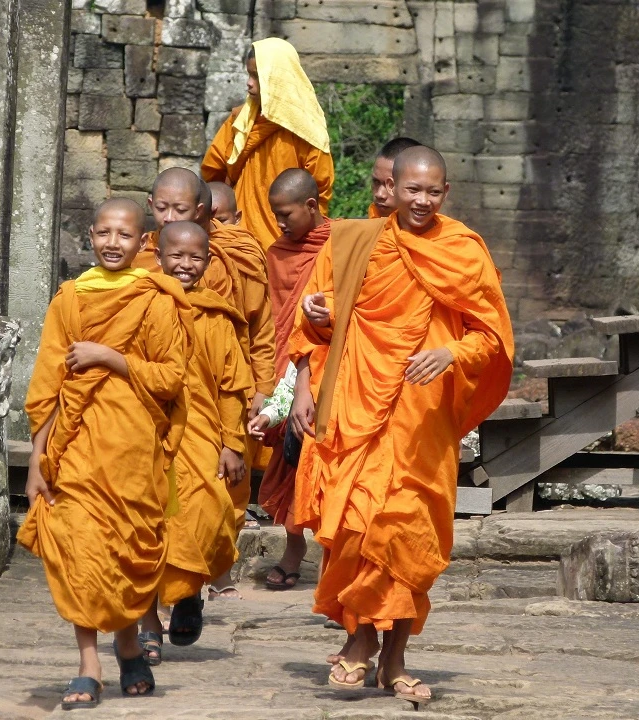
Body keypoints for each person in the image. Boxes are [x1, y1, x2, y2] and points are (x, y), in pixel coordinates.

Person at [290, 147, 514, 703]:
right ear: (392, 187)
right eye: (410, 190)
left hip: (422, 418)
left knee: (408, 534)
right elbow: (317, 326)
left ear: (445, 193)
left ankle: (380, 655)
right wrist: (320, 320)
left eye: (432, 192)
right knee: (362, 529)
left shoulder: (461, 250)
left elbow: (491, 337)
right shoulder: (355, 242)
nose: (421, 201)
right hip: (358, 408)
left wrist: (451, 352)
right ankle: (376, 654)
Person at [17, 198, 192, 709]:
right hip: (75, 449)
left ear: (144, 243)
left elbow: (171, 377)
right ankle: (88, 663)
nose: (113, 243)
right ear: (89, 237)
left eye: (124, 235)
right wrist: (36, 460)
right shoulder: (69, 300)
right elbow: (48, 384)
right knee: (79, 551)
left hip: (133, 450)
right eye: (104, 233)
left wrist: (112, 358)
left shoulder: (157, 300)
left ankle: (130, 640)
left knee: (127, 552)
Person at [139, 168, 276, 598]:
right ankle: (171, 599)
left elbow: (259, 329)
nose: (167, 217)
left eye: (179, 209)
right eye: (161, 208)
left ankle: (213, 571)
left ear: (202, 210)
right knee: (160, 501)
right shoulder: (141, 259)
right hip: (155, 403)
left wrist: (263, 389)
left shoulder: (235, 255)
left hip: (221, 394)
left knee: (221, 495)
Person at [136, 221, 252, 663]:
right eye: (177, 256)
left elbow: (230, 386)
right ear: (159, 256)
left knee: (208, 511)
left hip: (203, 434)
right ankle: (148, 622)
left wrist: (233, 443)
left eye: (195, 257)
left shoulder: (217, 314)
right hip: (146, 430)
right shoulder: (139, 303)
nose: (185, 265)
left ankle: (187, 592)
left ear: (209, 261)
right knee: (145, 524)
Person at [249, 168, 331, 591]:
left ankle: (334, 559)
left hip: (326, 363)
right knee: (288, 459)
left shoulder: (339, 245)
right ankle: (294, 548)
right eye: (275, 215)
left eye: (286, 215)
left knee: (326, 463)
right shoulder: (277, 253)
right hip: (283, 368)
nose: (280, 224)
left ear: (312, 206)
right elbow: (270, 318)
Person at [202, 37, 334, 250]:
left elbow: (319, 196)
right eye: (249, 74)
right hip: (237, 242)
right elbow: (213, 173)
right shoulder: (240, 121)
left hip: (290, 244)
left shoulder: (308, 131)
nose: (249, 83)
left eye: (257, 76)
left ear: (277, 80)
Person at [368, 137, 422, 218]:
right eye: (376, 182)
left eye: (391, 185)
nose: (379, 194)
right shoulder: (356, 228)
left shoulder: (442, 230)